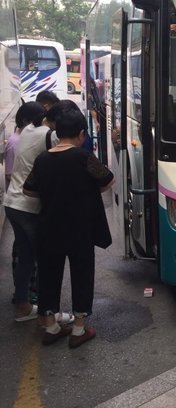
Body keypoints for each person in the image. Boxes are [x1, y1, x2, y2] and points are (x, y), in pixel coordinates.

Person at [24, 109, 114, 347]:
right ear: (81, 134)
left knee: (49, 274)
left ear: (57, 132)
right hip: (79, 228)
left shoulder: (43, 159)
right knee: (82, 273)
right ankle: (78, 330)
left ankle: (51, 327)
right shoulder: (83, 157)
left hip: (49, 227)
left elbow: (29, 190)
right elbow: (108, 180)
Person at [4, 102, 54, 322]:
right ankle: (47, 314)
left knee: (26, 257)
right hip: (29, 206)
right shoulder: (48, 135)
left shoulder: (26, 131)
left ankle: (22, 305)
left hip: (12, 203)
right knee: (45, 258)